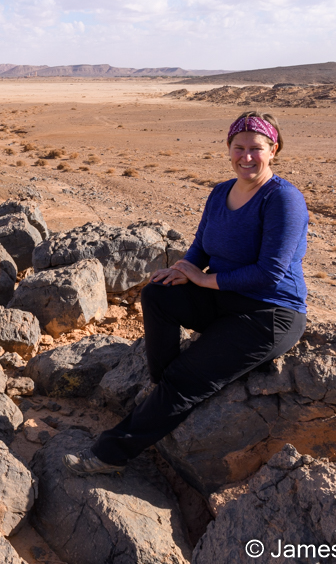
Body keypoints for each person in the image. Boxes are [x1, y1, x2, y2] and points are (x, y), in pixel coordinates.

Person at [64, 111, 309, 474]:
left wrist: (203, 280)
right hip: (226, 299)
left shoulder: (282, 199)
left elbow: (268, 274)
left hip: (269, 314)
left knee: (185, 381)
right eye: (238, 148)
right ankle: (165, 395)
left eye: (256, 149)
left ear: (274, 150)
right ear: (228, 149)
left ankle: (109, 455)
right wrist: (181, 270)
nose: (246, 157)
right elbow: (201, 248)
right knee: (158, 294)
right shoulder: (221, 192)